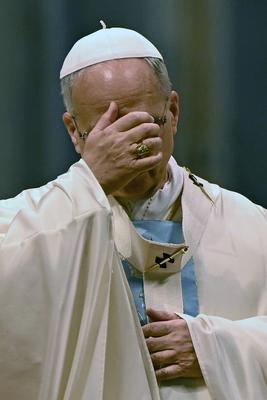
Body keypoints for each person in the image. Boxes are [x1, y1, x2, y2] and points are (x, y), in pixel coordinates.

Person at [0, 24, 266, 400]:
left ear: (172, 112)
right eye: (107, 132)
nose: (132, 150)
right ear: (74, 132)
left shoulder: (252, 227)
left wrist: (212, 348)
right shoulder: (20, 225)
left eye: (142, 126)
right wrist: (90, 184)